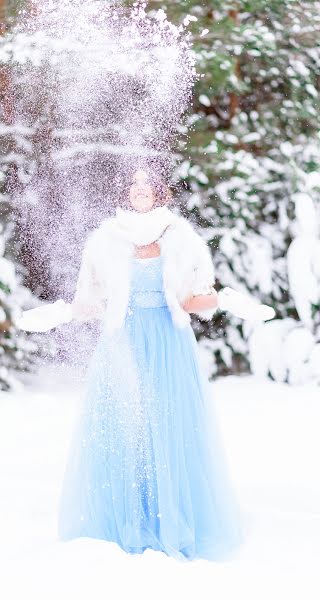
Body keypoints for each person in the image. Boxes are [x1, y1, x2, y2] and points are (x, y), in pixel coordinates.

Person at [57, 168, 244, 560]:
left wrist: (226, 301)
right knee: (126, 424)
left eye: (148, 185)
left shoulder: (182, 237)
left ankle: (171, 520)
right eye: (133, 184)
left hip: (168, 343)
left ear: (160, 193)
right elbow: (88, 300)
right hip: (122, 342)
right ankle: (129, 520)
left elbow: (197, 298)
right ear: (124, 192)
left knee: (169, 424)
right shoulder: (106, 240)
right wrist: (59, 314)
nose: (140, 191)